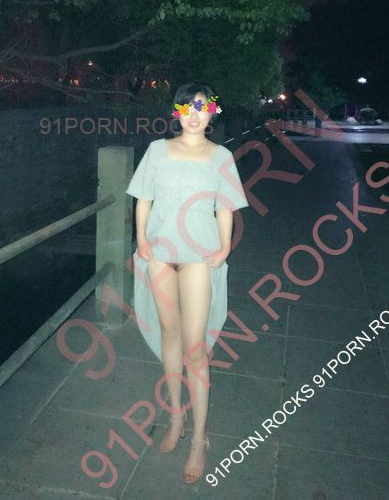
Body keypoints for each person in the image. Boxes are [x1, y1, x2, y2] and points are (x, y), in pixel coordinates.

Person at [125, 82, 249, 484]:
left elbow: (225, 206)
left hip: (198, 256)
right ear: (177, 112)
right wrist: (141, 239)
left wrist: (225, 246)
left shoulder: (221, 156)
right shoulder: (157, 150)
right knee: (170, 335)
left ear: (212, 113)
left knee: (195, 349)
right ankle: (176, 418)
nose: (195, 115)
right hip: (160, 254)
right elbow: (143, 198)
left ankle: (199, 438)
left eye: (202, 107)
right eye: (187, 107)